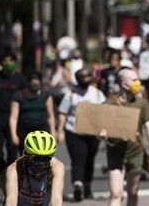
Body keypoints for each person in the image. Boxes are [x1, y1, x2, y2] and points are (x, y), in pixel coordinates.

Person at [102, 67, 149, 206]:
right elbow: (101, 128)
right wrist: (102, 135)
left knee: (133, 193)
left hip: (135, 153)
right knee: (116, 193)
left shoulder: (142, 103)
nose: (138, 83)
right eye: (134, 80)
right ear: (123, 84)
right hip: (115, 151)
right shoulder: (109, 103)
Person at [57, 67, 106, 201]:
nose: (85, 80)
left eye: (87, 77)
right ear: (78, 80)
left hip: (93, 133)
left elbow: (104, 113)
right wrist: (59, 130)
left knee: (90, 160)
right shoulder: (71, 94)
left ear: (91, 78)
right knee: (79, 158)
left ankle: (87, 186)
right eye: (82, 78)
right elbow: (62, 113)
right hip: (74, 131)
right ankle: (78, 184)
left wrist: (103, 129)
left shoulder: (97, 94)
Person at [4, 130, 65, 206]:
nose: (41, 163)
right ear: (26, 154)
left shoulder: (57, 167)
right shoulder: (14, 169)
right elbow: (11, 200)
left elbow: (57, 199)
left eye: (46, 158)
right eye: (37, 158)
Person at [0, 52, 26, 174]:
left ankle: (9, 173)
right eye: (6, 60)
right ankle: (1, 166)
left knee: (12, 148)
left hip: (14, 118)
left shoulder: (20, 79)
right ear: (1, 63)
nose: (8, 63)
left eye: (11, 60)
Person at [9, 72, 56, 153]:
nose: (35, 87)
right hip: (24, 132)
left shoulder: (46, 95)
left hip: (43, 132)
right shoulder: (19, 96)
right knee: (26, 157)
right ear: (28, 83)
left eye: (37, 85)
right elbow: (13, 117)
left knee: (43, 154)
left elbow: (50, 116)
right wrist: (13, 135)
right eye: (33, 85)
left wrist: (53, 132)